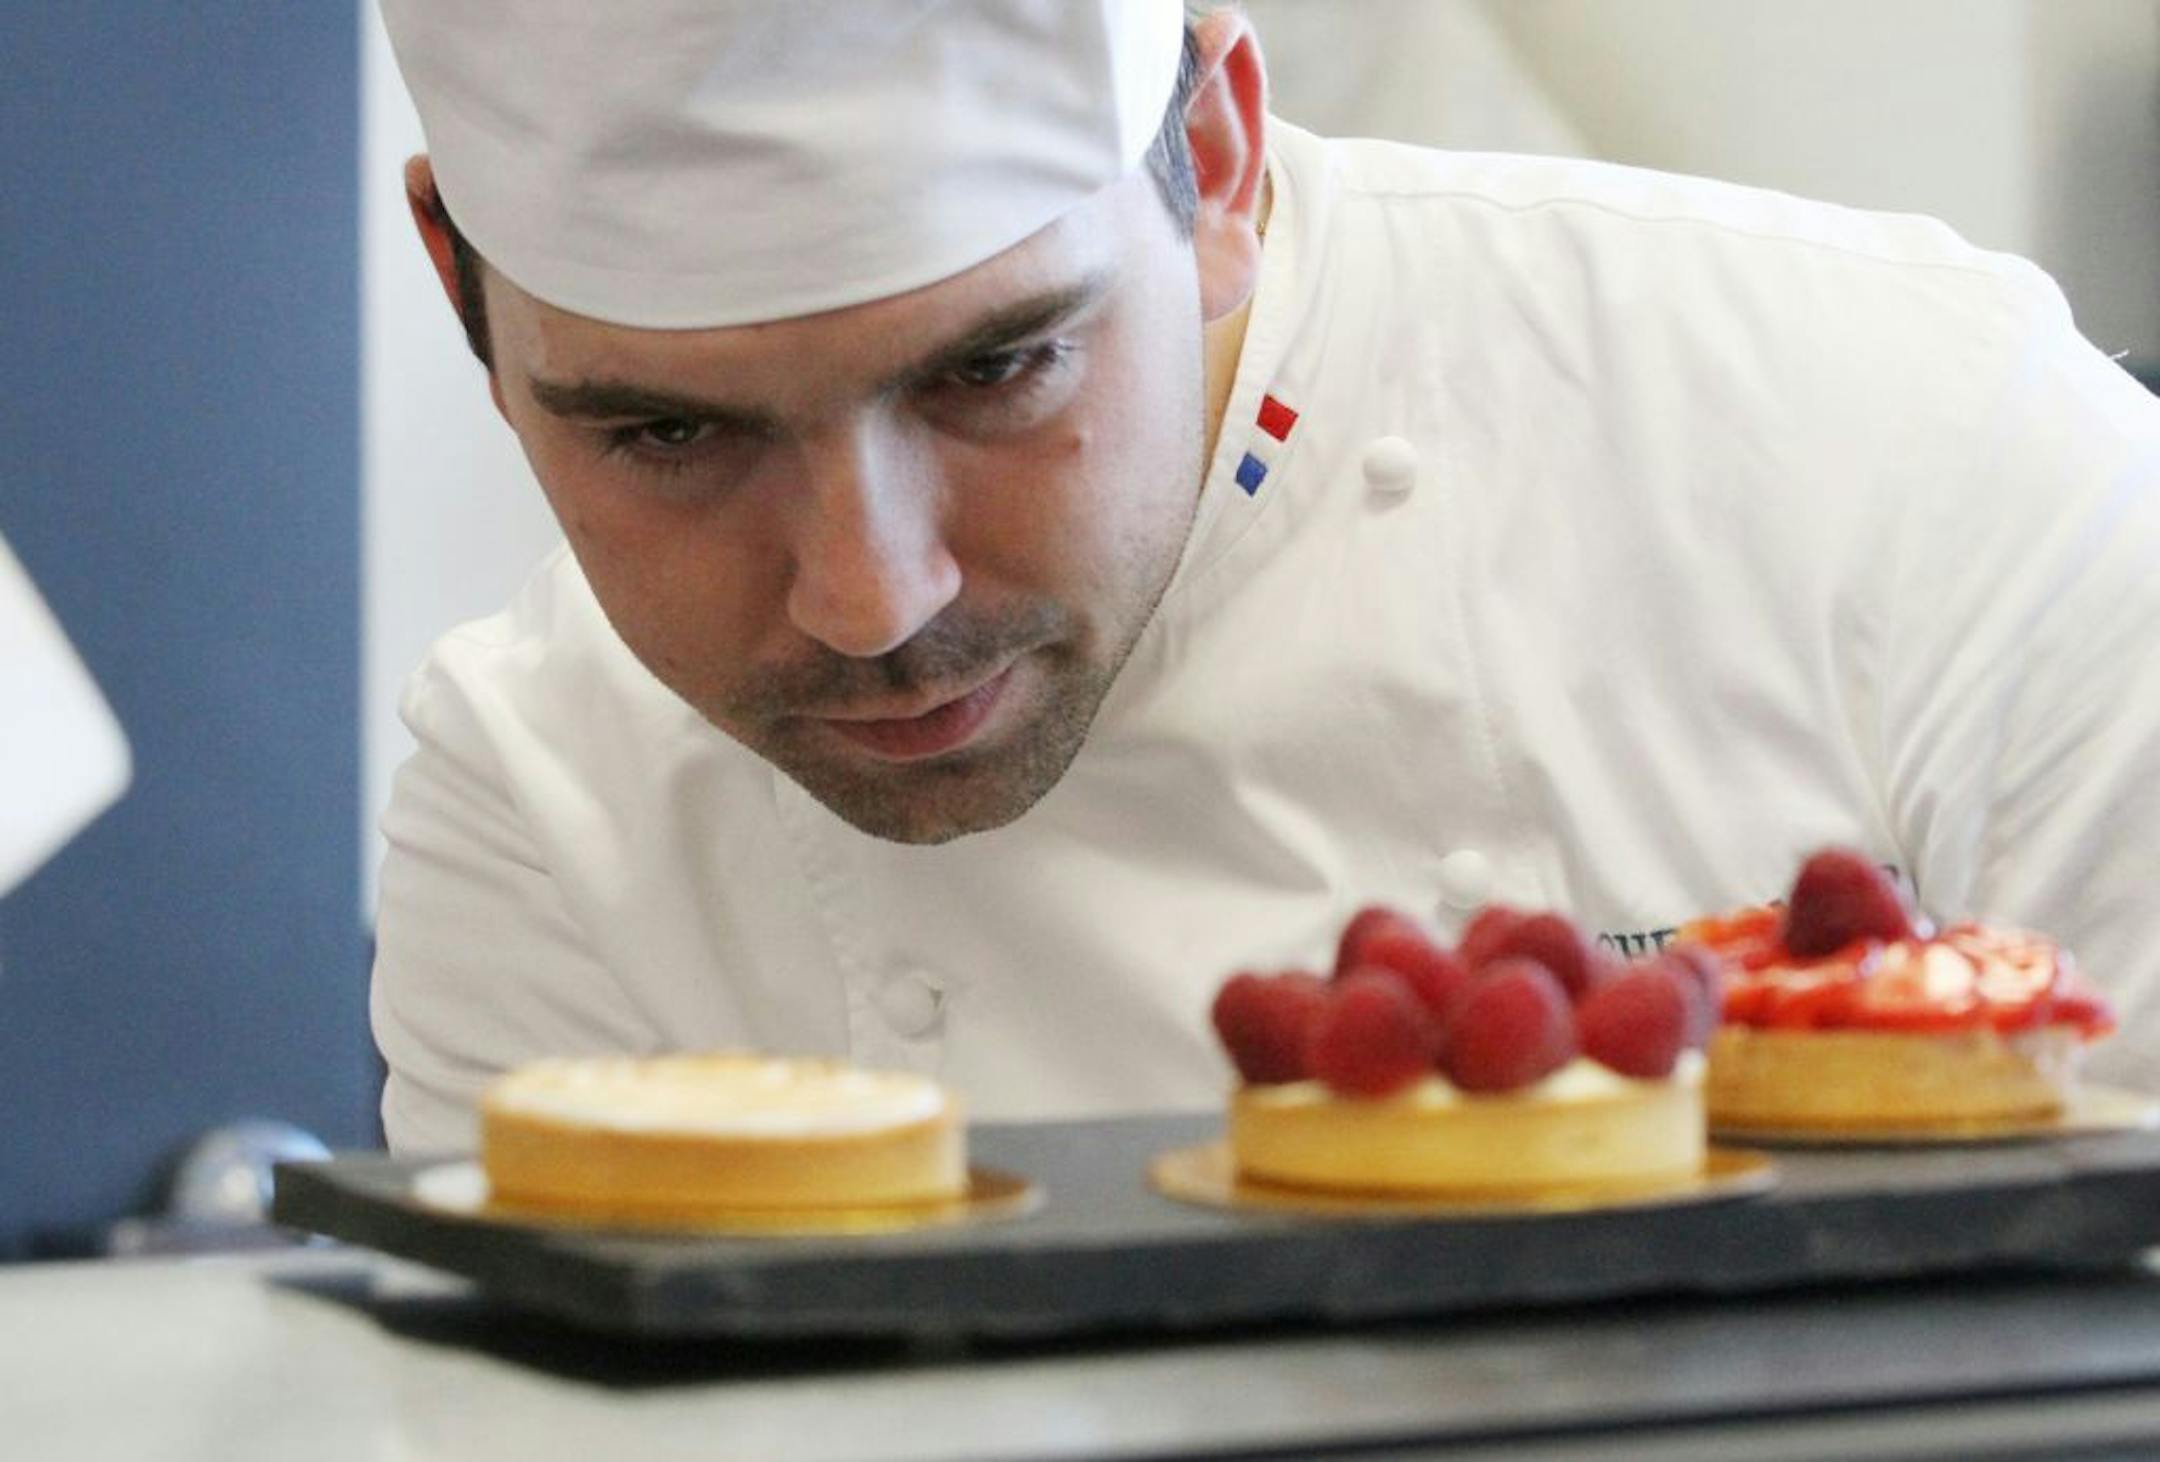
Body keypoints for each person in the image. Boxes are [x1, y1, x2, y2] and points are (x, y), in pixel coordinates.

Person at [371, 0, 2160, 1154]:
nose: (872, 598)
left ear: (1215, 156)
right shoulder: (544, 805)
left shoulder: (1919, 445)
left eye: (998, 371)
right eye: (671, 440)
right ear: (458, 278)